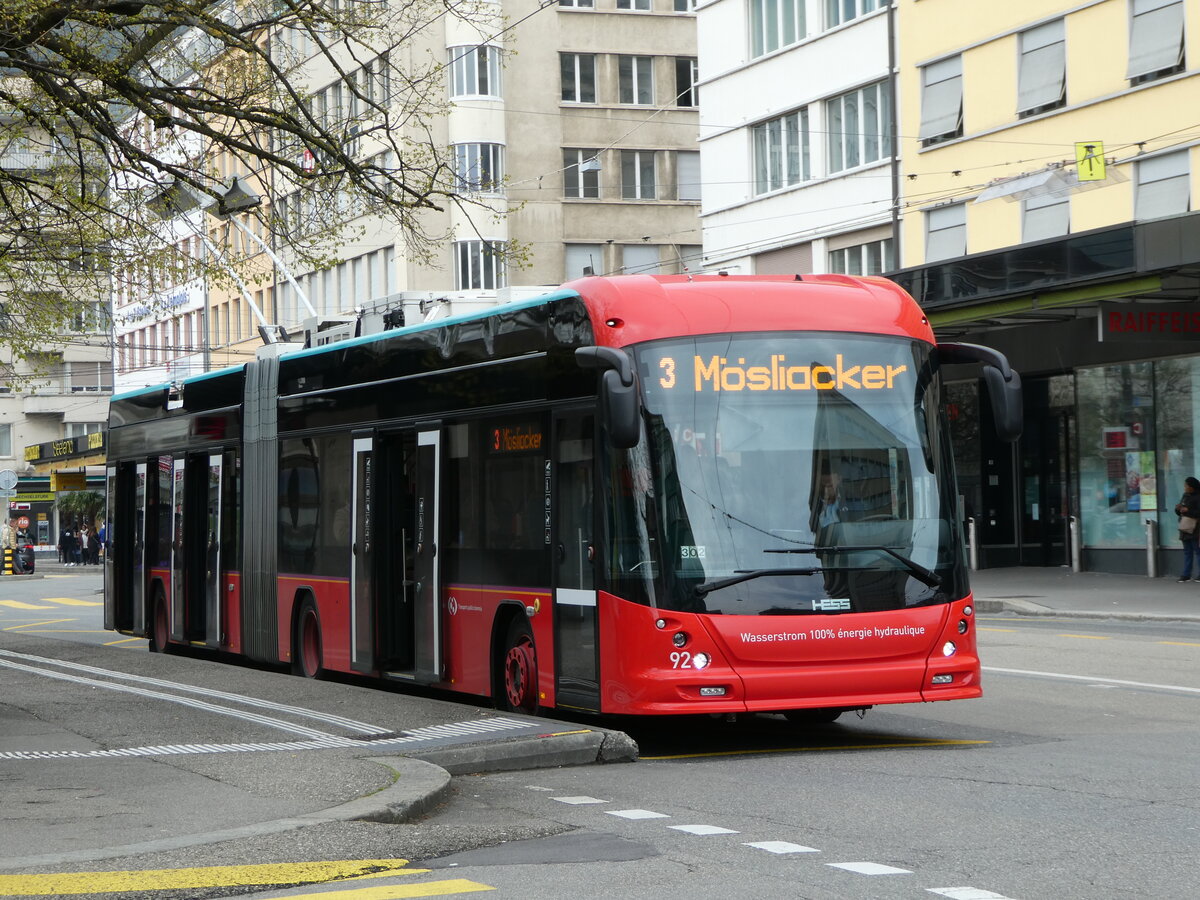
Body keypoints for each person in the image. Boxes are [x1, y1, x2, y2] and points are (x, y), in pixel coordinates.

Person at [1174, 476, 1200, 582]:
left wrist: (1187, 511)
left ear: (1192, 487)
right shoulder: (1185, 496)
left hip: (1195, 528)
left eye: (1186, 485)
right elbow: (1181, 512)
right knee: (1187, 552)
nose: (1184, 487)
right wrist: (1178, 509)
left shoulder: (1198, 497)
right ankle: (1186, 574)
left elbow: (1198, 513)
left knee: (1198, 551)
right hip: (1185, 527)